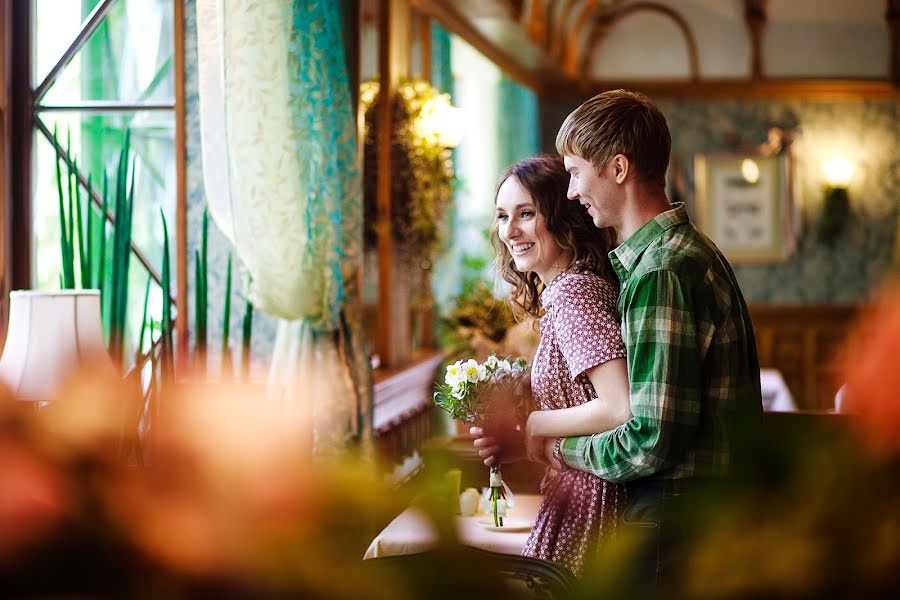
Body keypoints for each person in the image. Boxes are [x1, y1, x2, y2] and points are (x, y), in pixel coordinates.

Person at [475, 89, 763, 587]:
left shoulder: (661, 270)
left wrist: (548, 441)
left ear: (618, 169)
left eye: (576, 171)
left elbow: (647, 440)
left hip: (676, 521)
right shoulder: (673, 255)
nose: (570, 192)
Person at [484, 155, 634, 576]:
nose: (509, 231)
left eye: (526, 213)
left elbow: (619, 407)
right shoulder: (569, 290)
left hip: (594, 501)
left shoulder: (573, 294)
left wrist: (534, 423)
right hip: (579, 489)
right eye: (502, 216)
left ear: (562, 217)